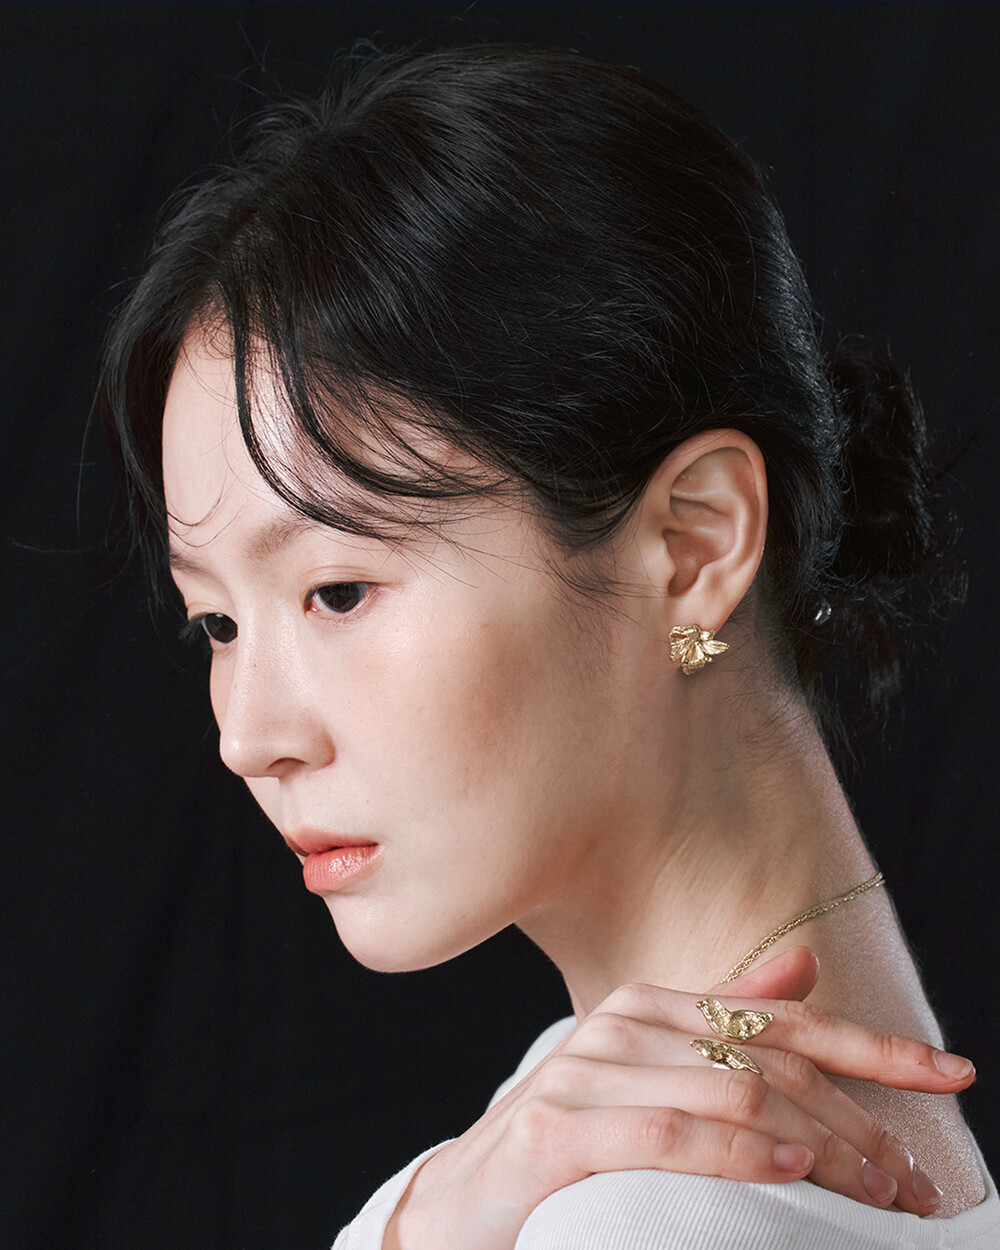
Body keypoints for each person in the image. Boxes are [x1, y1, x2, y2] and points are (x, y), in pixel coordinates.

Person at [101, 45, 997, 1249]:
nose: (250, 736)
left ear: (694, 543)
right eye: (217, 619)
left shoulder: (643, 1208)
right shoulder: (612, 1112)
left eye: (337, 590)